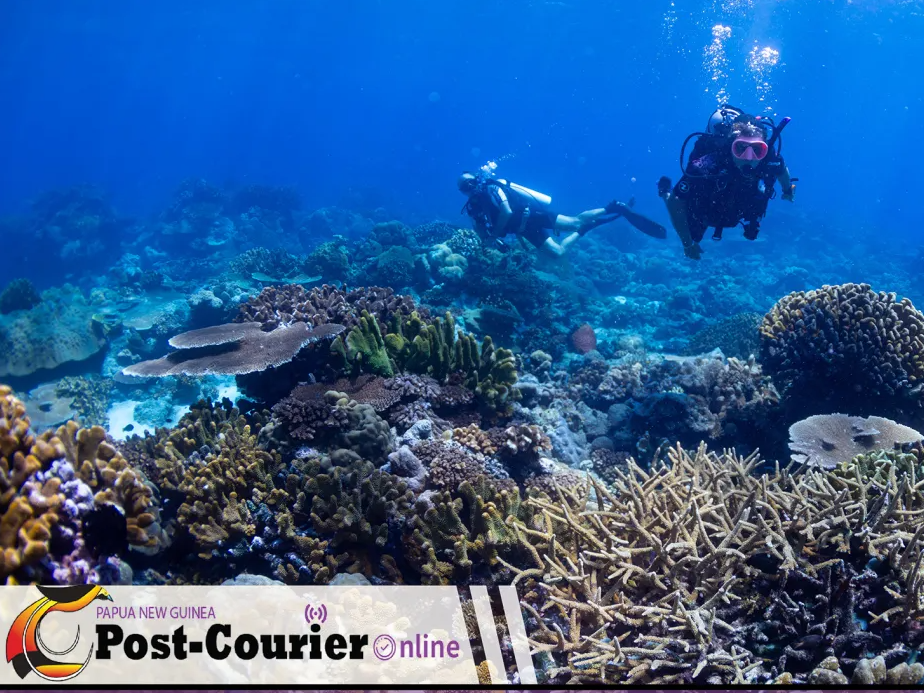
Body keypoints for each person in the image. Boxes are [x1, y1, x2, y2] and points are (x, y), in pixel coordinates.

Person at [657, 105, 797, 260]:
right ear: (731, 146)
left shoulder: (770, 159)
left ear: (765, 149)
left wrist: (787, 190)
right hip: (707, 206)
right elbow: (676, 201)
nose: (748, 157)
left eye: (757, 149)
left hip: (738, 204)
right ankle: (664, 190)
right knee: (693, 233)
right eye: (741, 148)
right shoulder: (706, 166)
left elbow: (782, 170)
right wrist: (687, 243)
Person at [458, 163, 666, 257]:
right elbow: (481, 234)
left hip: (533, 216)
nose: (469, 189)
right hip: (524, 229)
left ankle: (611, 207)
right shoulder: (474, 208)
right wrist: (492, 240)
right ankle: (585, 230)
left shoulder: (492, 188)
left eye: (470, 183)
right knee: (558, 252)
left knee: (574, 221)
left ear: (477, 179)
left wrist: (494, 234)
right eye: (464, 188)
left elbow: (507, 211)